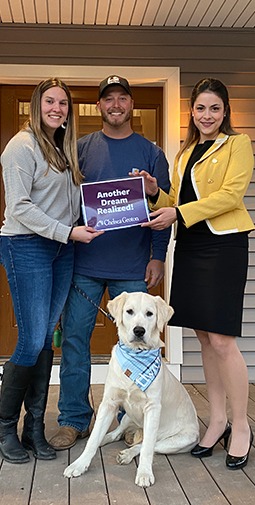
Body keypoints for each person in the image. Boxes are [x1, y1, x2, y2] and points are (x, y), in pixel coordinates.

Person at [135, 78, 255, 470]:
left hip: (222, 247)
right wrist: (155, 192)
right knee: (204, 338)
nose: (207, 115)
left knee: (222, 339)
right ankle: (216, 420)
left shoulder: (237, 145)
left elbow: (230, 196)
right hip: (189, 247)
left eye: (214, 109)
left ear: (225, 112)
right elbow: (176, 201)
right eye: (201, 108)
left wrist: (178, 212)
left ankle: (241, 426)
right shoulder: (185, 151)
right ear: (192, 112)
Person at [49, 75, 171, 450]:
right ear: (99, 106)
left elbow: (164, 207)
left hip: (132, 266)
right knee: (74, 341)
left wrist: (157, 255)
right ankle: (73, 419)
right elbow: (64, 200)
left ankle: (127, 421)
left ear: (130, 105)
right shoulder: (81, 148)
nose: (115, 105)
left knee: (138, 346)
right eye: (108, 99)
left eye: (122, 98)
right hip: (84, 263)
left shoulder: (151, 153)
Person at [0, 77, 103, 464]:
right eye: (50, 102)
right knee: (29, 340)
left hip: (62, 250)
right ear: (36, 104)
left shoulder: (62, 149)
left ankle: (35, 429)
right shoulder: (21, 147)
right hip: (27, 247)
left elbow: (73, 203)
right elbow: (20, 208)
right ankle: (6, 426)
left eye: (63, 103)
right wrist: (69, 232)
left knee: (45, 339)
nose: (56, 108)